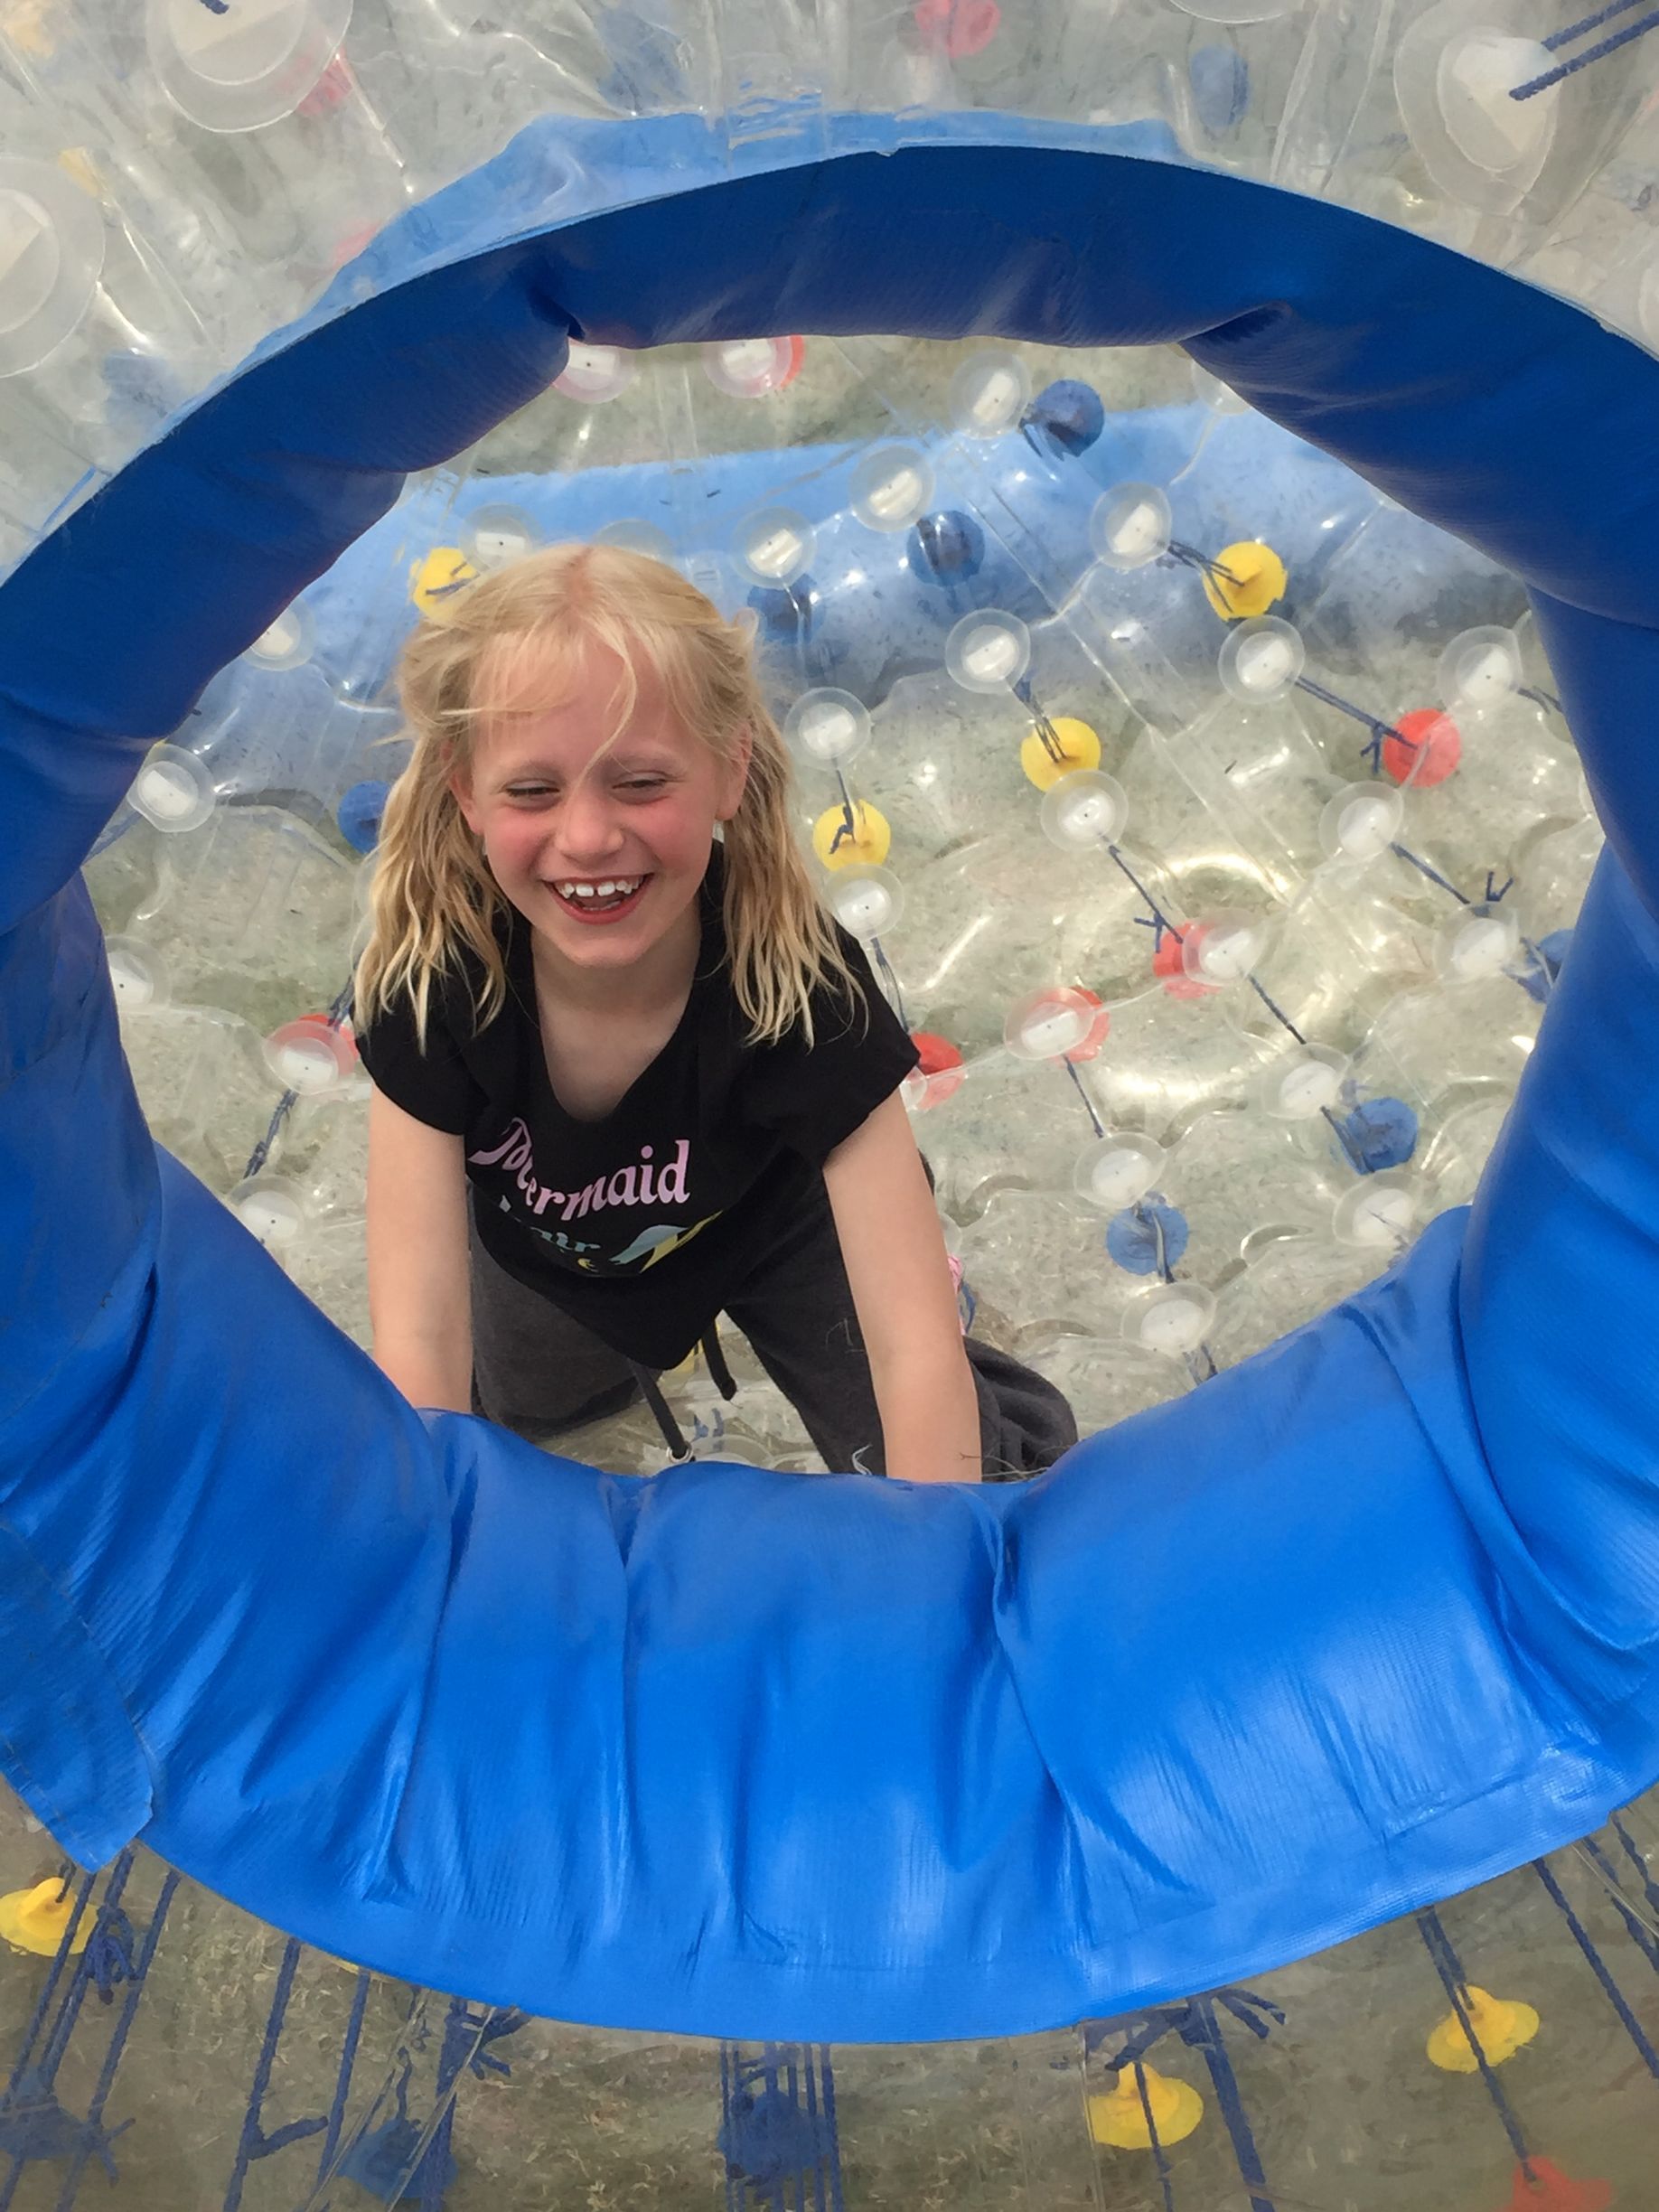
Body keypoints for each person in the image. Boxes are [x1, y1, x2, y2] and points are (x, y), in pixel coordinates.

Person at [353, 542, 1077, 1482]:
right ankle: (598, 1377)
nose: (587, 837)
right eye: (532, 790)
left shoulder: (796, 982)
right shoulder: (438, 983)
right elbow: (419, 1344)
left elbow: (910, 1350)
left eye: (642, 781)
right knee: (527, 1424)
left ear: (730, 769)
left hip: (784, 1221)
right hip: (544, 1250)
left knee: (956, 1461)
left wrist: (938, 1552)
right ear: (466, 790)